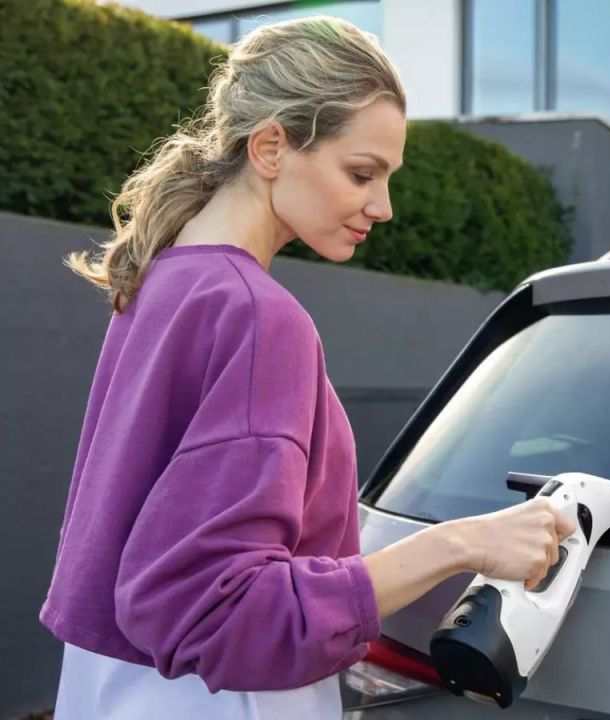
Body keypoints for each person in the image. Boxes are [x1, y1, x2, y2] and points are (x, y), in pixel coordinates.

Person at [41, 16, 575, 720]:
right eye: (362, 173)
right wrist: (460, 542)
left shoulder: (158, 284)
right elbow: (222, 612)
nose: (382, 207)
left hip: (107, 690)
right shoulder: (259, 317)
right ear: (270, 146)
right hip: (219, 699)